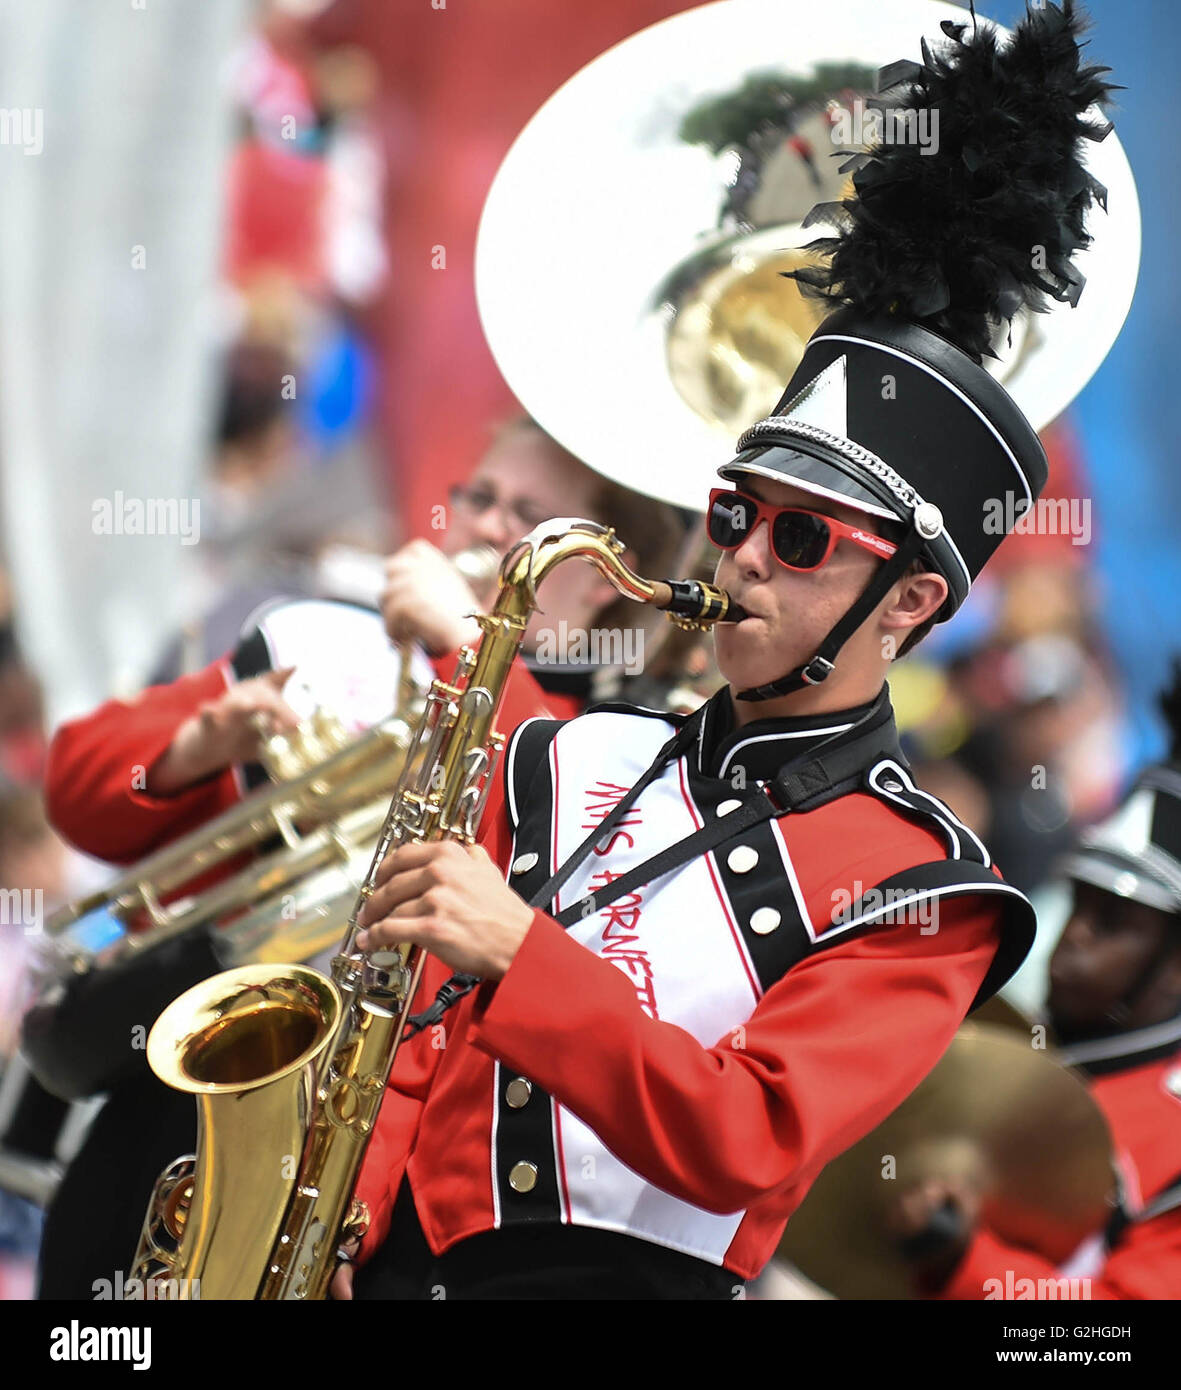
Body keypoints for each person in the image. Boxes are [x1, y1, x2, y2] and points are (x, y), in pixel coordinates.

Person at [329, 0, 1117, 1300]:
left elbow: (745, 1136)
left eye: (801, 540)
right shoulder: (567, 748)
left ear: (911, 602)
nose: (741, 556)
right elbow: (415, 1028)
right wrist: (346, 1220)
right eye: (735, 515)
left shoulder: (922, 886)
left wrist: (522, 952)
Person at [30, 415, 682, 1299]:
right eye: (478, 498)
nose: (490, 529)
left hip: (366, 1160)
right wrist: (195, 743)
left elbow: (540, 838)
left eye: (526, 514)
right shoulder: (328, 635)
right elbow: (77, 788)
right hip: (188, 1080)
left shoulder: (622, 741)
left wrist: (464, 643)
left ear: (601, 574)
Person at [894, 666, 1181, 1301]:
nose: (1072, 936)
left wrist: (965, 1261)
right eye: (1077, 906)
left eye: (1111, 924)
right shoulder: (1011, 1048)